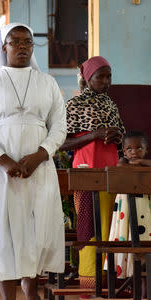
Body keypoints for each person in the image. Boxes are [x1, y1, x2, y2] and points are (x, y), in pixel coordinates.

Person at [0, 23, 67, 300]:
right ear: (4, 47)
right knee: (3, 230)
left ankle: (31, 291)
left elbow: (59, 126)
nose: (22, 46)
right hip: (1, 168)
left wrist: (39, 155)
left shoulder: (47, 82)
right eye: (16, 42)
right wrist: (3, 160)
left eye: (28, 42)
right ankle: (7, 296)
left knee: (37, 228)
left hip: (39, 165)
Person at [60, 55, 125, 291]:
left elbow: (123, 143)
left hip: (111, 173)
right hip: (85, 173)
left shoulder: (111, 105)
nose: (106, 81)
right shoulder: (73, 106)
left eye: (109, 77)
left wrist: (117, 137)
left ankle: (112, 283)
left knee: (112, 228)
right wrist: (94, 135)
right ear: (88, 79)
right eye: (101, 77)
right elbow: (60, 142)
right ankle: (89, 284)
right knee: (89, 229)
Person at [108, 131, 150, 295]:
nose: (134, 152)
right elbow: (121, 167)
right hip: (126, 212)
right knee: (131, 246)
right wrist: (136, 163)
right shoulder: (122, 163)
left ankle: (144, 289)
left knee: (145, 251)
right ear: (124, 151)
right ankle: (134, 285)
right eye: (129, 149)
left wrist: (142, 162)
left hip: (145, 212)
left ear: (145, 150)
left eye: (139, 148)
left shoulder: (146, 165)